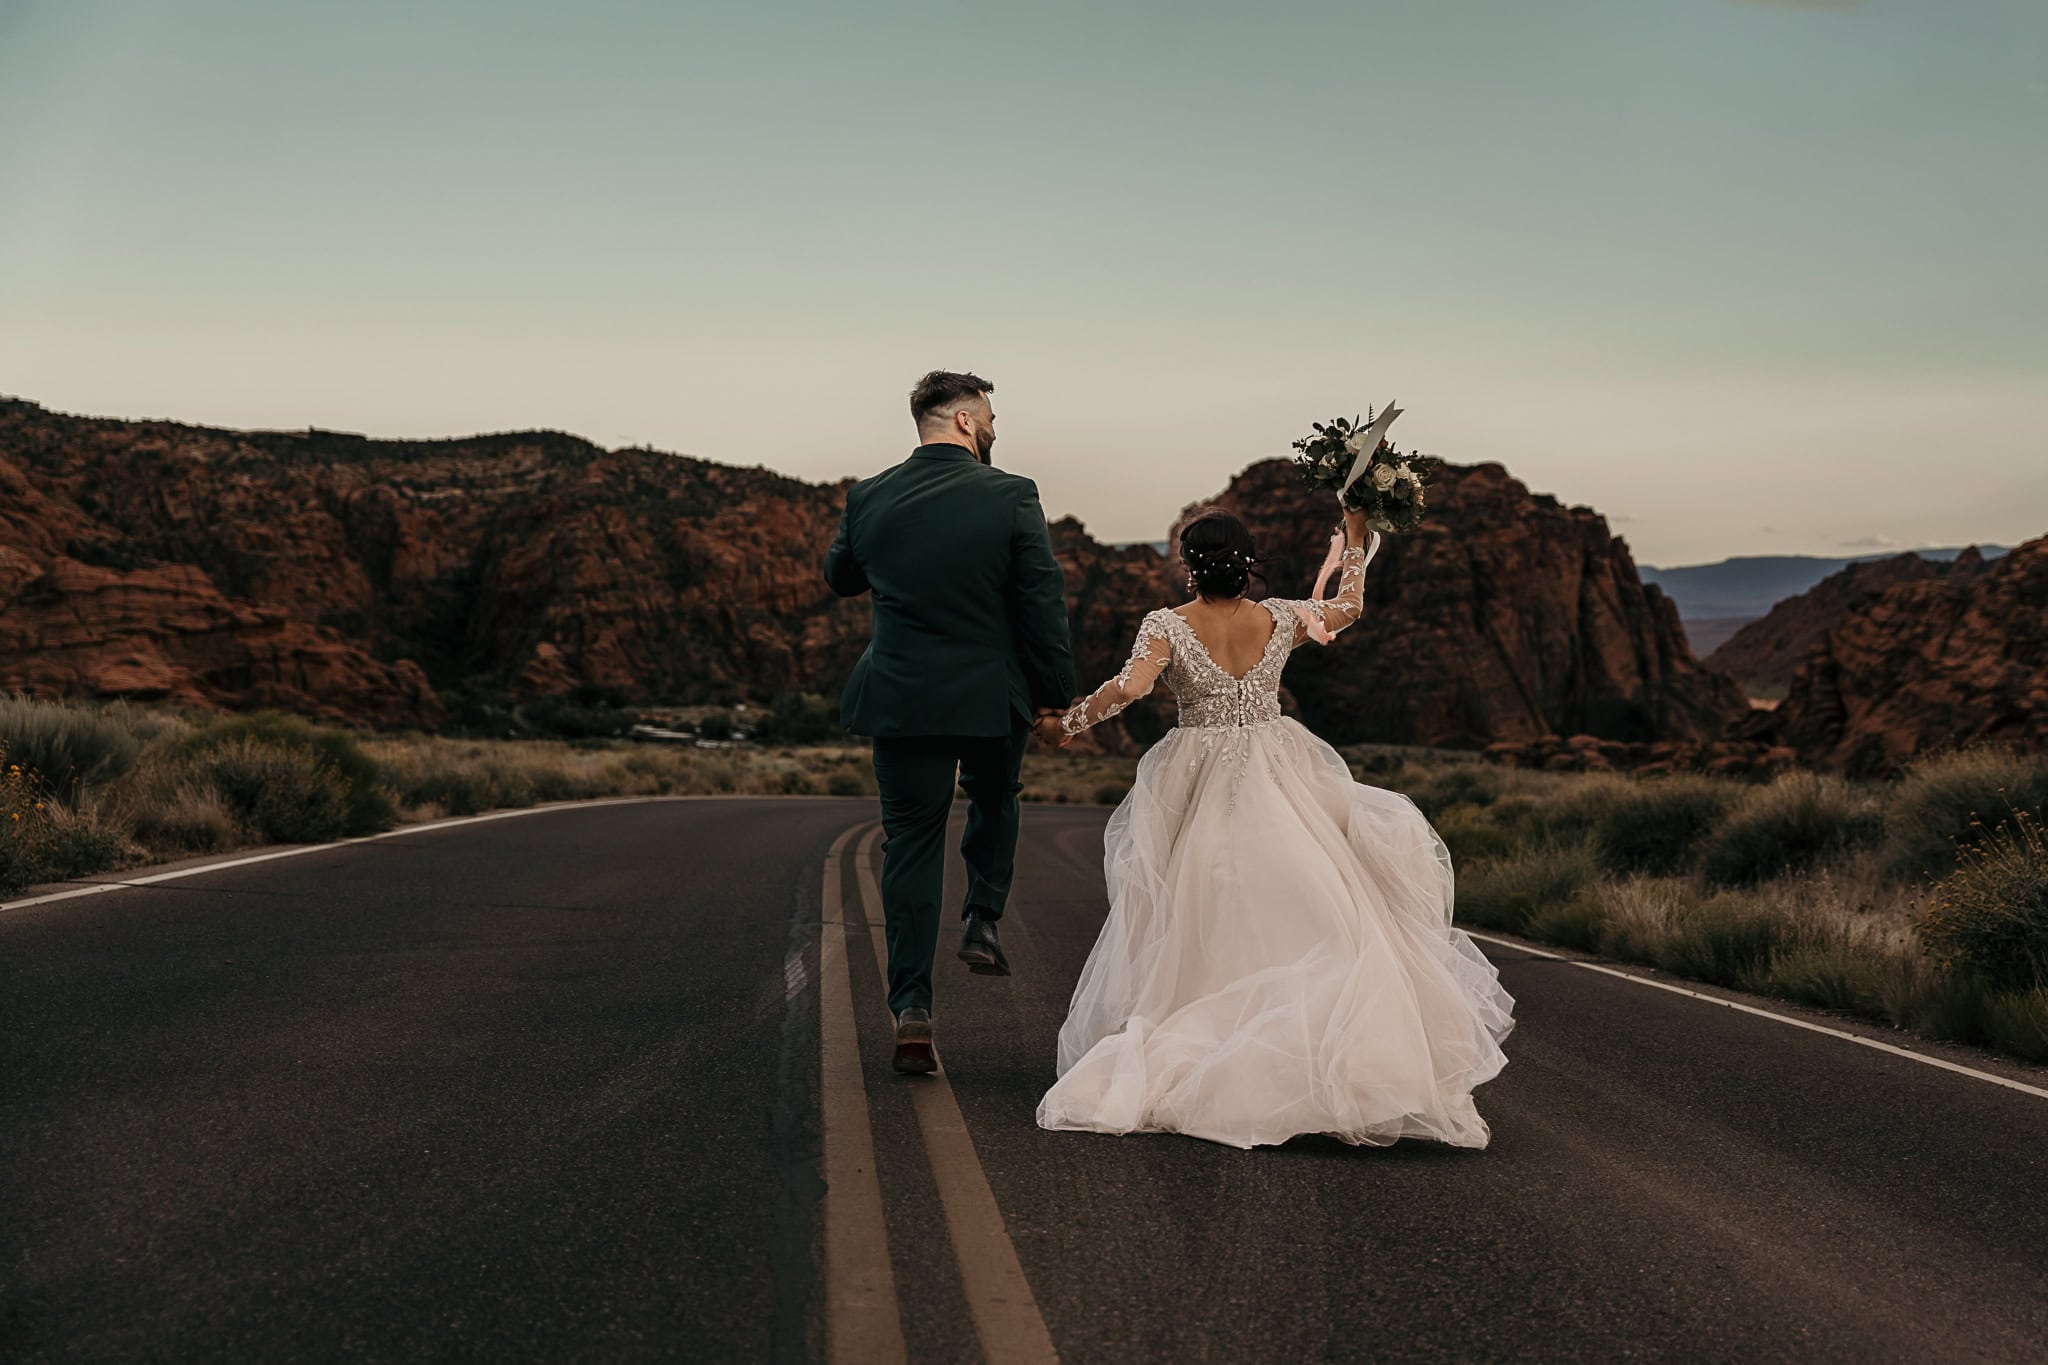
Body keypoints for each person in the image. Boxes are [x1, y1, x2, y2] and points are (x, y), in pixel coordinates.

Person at [1033, 504, 1516, 1148]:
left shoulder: (1167, 624)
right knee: (1310, 897)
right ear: (1247, 559)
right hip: (1279, 766)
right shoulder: (1280, 616)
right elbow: (1347, 610)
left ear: (1188, 564)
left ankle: (1227, 1037)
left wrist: (1063, 726)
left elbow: (1130, 689)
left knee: (1202, 910)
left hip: (1198, 774)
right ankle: (1317, 1060)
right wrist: (1353, 542)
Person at [825, 370, 1077, 1075]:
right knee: (996, 797)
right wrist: (1056, 696)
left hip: (902, 695)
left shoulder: (868, 495)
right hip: (989, 697)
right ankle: (982, 914)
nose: (995, 428)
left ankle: (911, 1011)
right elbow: (1040, 603)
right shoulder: (1011, 495)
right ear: (965, 421)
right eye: (990, 417)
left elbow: (840, 577)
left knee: (909, 845)